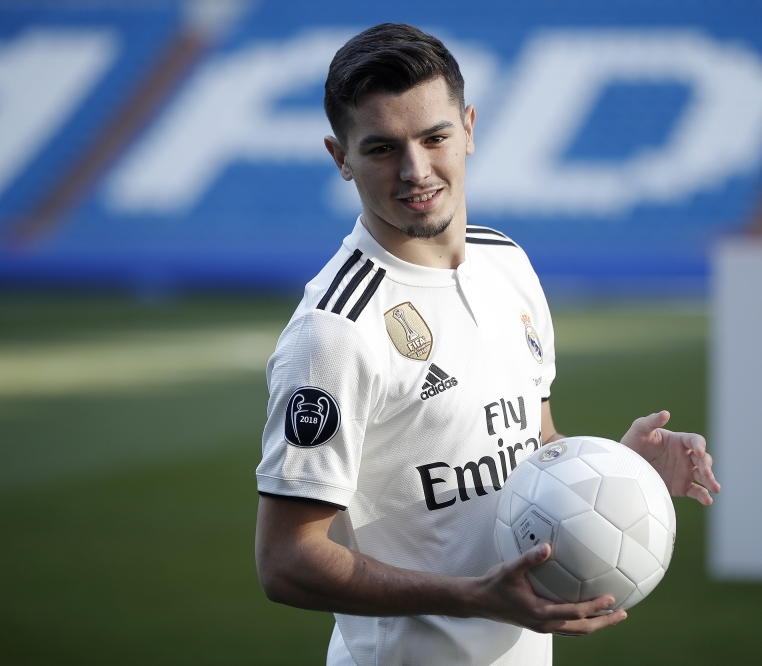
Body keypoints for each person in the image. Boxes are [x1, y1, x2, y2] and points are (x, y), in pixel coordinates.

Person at [254, 23, 720, 666]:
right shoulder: (335, 332)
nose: (416, 170)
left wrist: (618, 472)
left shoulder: (507, 263)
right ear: (341, 158)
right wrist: (474, 596)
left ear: (468, 127)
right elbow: (286, 561)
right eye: (383, 148)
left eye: (434, 136)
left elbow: (533, 447)